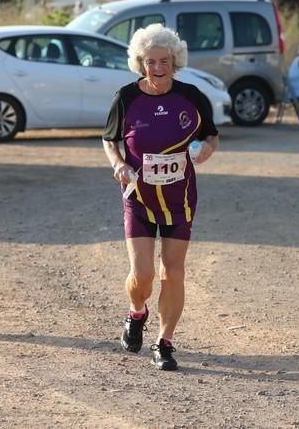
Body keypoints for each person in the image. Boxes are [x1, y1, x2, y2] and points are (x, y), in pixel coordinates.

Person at [102, 23, 219, 371]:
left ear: (174, 61)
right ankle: (137, 312)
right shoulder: (126, 98)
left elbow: (211, 137)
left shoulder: (192, 97)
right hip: (138, 196)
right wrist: (119, 164)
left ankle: (164, 342)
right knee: (142, 275)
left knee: (174, 271)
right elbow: (110, 140)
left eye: (164, 60)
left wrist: (206, 151)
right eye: (151, 61)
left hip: (179, 198)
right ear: (140, 62)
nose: (158, 67)